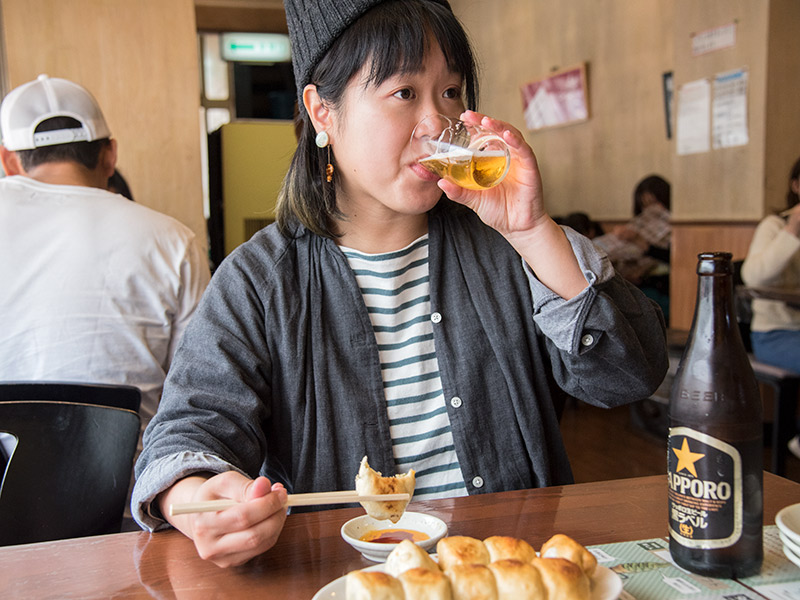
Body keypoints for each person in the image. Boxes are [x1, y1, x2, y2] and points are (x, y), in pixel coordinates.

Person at [132, 0, 668, 568]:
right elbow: (186, 433)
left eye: (452, 92)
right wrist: (200, 497)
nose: (438, 123)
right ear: (322, 112)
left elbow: (629, 377)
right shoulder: (259, 281)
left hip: (507, 571)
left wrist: (534, 232)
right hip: (350, 580)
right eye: (404, 93)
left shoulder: (509, 247)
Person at [0, 74, 211, 439]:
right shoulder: (174, 241)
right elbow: (200, 392)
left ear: (8, 160)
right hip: (129, 487)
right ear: (110, 154)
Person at [741, 156, 800, 458]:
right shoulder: (775, 226)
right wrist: (793, 229)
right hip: (774, 334)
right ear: (796, 185)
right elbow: (753, 276)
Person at [592, 175, 671, 323]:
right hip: (629, 283)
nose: (651, 210)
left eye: (655, 203)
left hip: (656, 288)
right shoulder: (635, 227)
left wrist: (642, 243)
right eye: (645, 205)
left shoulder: (672, 232)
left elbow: (671, 258)